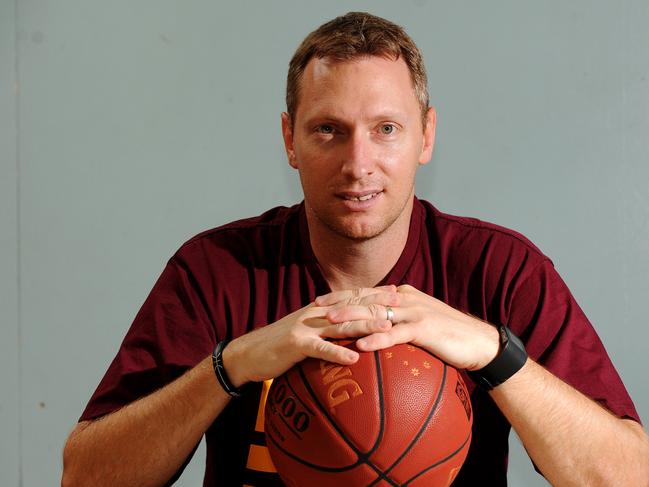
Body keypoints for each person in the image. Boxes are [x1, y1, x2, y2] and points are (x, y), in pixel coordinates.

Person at [61, 11, 648, 487]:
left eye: (386, 129)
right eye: (328, 130)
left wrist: (496, 353)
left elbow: (627, 476)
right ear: (290, 140)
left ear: (428, 135)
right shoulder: (218, 271)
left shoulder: (501, 270)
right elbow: (85, 478)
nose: (358, 164)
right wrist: (231, 364)